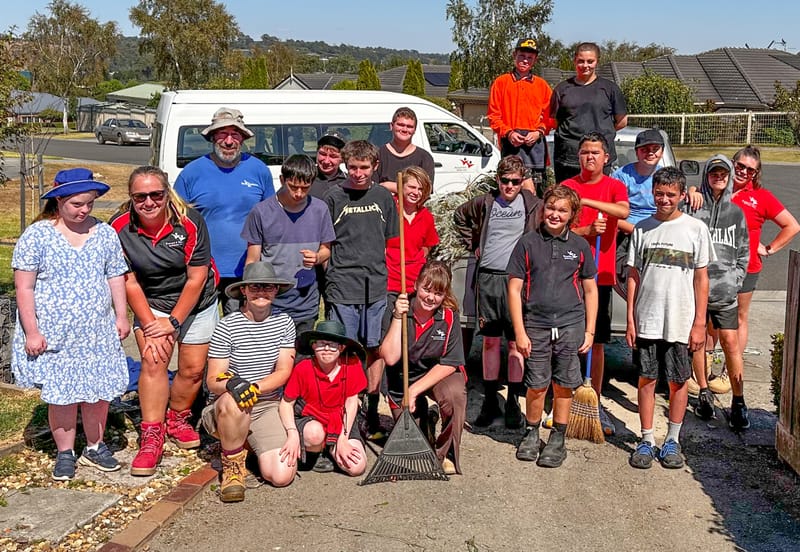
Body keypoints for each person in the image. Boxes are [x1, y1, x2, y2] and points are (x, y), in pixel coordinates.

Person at [12, 168, 130, 480]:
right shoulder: (37, 235)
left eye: (89, 203)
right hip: (55, 333)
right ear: (59, 200)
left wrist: (121, 314)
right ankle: (65, 451)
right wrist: (32, 330)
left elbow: (115, 276)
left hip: (96, 332)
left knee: (97, 392)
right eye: (77, 204)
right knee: (62, 395)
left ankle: (95, 445)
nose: (84, 210)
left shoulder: (104, 234)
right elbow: (24, 287)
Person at [110, 166, 219, 476]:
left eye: (156, 194)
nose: (149, 202)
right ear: (131, 198)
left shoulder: (190, 221)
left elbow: (196, 277)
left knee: (193, 369)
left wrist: (174, 321)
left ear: (167, 193)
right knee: (153, 361)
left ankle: (178, 416)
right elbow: (128, 282)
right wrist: (150, 324)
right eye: (140, 196)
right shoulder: (119, 228)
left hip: (196, 299)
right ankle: (152, 433)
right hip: (151, 300)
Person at [626, 167, 714, 470]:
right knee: (647, 379)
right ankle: (647, 439)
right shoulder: (642, 229)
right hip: (647, 318)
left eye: (671, 194)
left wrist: (700, 322)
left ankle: (673, 439)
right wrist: (630, 319)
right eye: (659, 193)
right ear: (652, 192)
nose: (664, 199)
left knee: (678, 382)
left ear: (680, 195)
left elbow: (702, 279)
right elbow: (633, 276)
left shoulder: (695, 229)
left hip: (681, 320)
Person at [507, 185, 598, 467]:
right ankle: (532, 432)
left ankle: (558, 436)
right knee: (536, 384)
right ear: (543, 209)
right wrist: (520, 332)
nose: (555, 214)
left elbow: (591, 290)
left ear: (572, 215)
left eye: (562, 210)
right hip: (535, 324)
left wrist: (590, 330)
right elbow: (513, 290)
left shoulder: (580, 246)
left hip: (571, 323)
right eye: (551, 208)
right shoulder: (527, 243)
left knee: (564, 384)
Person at [453, 155, 541, 429]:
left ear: (522, 181)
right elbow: (460, 216)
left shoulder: (532, 205)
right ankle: (491, 400)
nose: (510, 186)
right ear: (498, 180)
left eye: (516, 181)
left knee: (515, 343)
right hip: (489, 278)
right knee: (490, 341)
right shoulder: (486, 202)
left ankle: (514, 400)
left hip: (517, 281)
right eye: (505, 181)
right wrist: (473, 244)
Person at [202, 261, 297, 502]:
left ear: (276, 291)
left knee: (281, 475)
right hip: (227, 404)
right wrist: (233, 385)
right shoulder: (227, 326)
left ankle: (248, 446)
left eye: (268, 287)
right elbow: (213, 379)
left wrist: (254, 388)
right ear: (243, 290)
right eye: (255, 287)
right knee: (235, 403)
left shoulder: (284, 323)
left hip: (265, 404)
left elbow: (284, 370)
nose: (261, 292)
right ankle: (233, 470)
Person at [324, 140, 399, 437]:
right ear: (345, 165)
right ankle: (345, 409)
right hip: (343, 284)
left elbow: (391, 242)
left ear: (375, 167)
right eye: (352, 167)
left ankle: (370, 408)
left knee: (374, 349)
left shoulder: (383, 197)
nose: (357, 173)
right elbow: (325, 245)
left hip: (376, 285)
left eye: (364, 167)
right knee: (347, 350)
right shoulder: (334, 197)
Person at [174, 107, 274, 314]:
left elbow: (271, 219)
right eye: (222, 134)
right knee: (200, 336)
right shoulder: (191, 173)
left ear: (243, 138)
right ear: (212, 137)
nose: (229, 141)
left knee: (241, 335)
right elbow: (176, 221)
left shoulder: (258, 170)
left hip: (245, 272)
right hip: (202, 269)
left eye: (235, 134)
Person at [562, 132, 629, 436]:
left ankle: (594, 399)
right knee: (565, 342)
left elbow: (624, 212)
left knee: (596, 344)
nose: (589, 157)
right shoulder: (567, 187)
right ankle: (563, 396)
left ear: (606, 157)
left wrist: (589, 200)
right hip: (567, 275)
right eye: (585, 152)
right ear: (578, 156)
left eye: (595, 153)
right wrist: (586, 228)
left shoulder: (614, 186)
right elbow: (554, 223)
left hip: (599, 277)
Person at [380, 261, 467, 475]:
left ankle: (444, 453)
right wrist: (397, 317)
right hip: (402, 378)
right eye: (426, 290)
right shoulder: (397, 307)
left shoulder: (448, 316)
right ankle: (427, 420)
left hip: (436, 374)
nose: (430, 298)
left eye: (438, 293)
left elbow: (450, 362)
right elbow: (390, 358)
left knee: (455, 395)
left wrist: (416, 390)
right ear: (416, 284)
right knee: (412, 448)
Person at [682, 156, 749, 427]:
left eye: (723, 174)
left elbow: (744, 250)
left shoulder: (736, 213)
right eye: (714, 173)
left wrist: (736, 279)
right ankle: (704, 393)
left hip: (725, 293)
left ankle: (739, 400)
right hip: (696, 291)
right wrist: (690, 191)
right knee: (698, 342)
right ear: (707, 176)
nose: (718, 177)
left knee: (731, 344)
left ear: (730, 177)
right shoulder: (693, 207)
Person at [242, 154, 335, 335]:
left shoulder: (320, 209)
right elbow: (252, 259)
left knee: (300, 358)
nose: (299, 193)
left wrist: (317, 257)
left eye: (305, 188)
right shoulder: (261, 212)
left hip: (305, 300)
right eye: (293, 187)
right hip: (271, 299)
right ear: (282, 180)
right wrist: (250, 294)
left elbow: (326, 249)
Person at [730, 145, 800, 357]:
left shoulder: (761, 197)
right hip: (715, 266)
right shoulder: (718, 187)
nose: (743, 171)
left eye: (750, 170)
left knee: (739, 316)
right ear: (732, 163)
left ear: (756, 173)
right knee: (710, 318)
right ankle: (704, 367)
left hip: (747, 267)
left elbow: (792, 226)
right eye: (740, 165)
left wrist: (769, 249)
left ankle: (730, 368)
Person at [278, 320, 368, 476]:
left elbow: (352, 402)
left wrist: (343, 438)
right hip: (311, 419)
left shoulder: (352, 364)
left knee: (357, 467)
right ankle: (316, 453)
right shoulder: (303, 368)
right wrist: (292, 433)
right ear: (313, 346)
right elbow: (286, 404)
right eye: (322, 343)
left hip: (341, 420)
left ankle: (332, 447)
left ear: (342, 347)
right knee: (314, 434)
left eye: (333, 344)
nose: (327, 348)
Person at [550, 42, 628, 183]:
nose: (585, 65)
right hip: (568, 158)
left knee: (597, 202)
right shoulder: (562, 89)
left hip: (599, 159)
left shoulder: (610, 89)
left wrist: (601, 133)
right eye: (581, 61)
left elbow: (622, 121)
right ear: (574, 61)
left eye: (590, 61)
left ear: (597, 62)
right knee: (566, 202)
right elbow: (555, 122)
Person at [487, 37, 554, 196]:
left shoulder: (542, 85)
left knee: (535, 194)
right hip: (511, 145)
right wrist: (508, 132)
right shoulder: (501, 83)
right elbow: (493, 116)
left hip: (535, 146)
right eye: (522, 56)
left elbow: (551, 117)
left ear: (535, 60)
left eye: (530, 57)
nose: (525, 60)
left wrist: (539, 131)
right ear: (514, 55)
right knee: (513, 191)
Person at [612, 128, 665, 298]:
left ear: (662, 151)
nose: (650, 153)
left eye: (655, 149)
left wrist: (694, 190)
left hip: (660, 235)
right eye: (645, 149)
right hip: (628, 235)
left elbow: (679, 202)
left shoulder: (667, 176)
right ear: (636, 152)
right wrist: (636, 231)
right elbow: (611, 215)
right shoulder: (621, 176)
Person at [375, 107, 435, 193]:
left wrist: (387, 185)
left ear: (414, 130)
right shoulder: (378, 155)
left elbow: (427, 190)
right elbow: (372, 188)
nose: (404, 129)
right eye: (400, 125)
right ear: (391, 126)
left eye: (409, 126)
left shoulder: (425, 158)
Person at [309, 131, 347, 199]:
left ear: (342, 159)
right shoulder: (306, 178)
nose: (326, 161)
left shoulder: (349, 181)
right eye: (323, 154)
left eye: (333, 156)